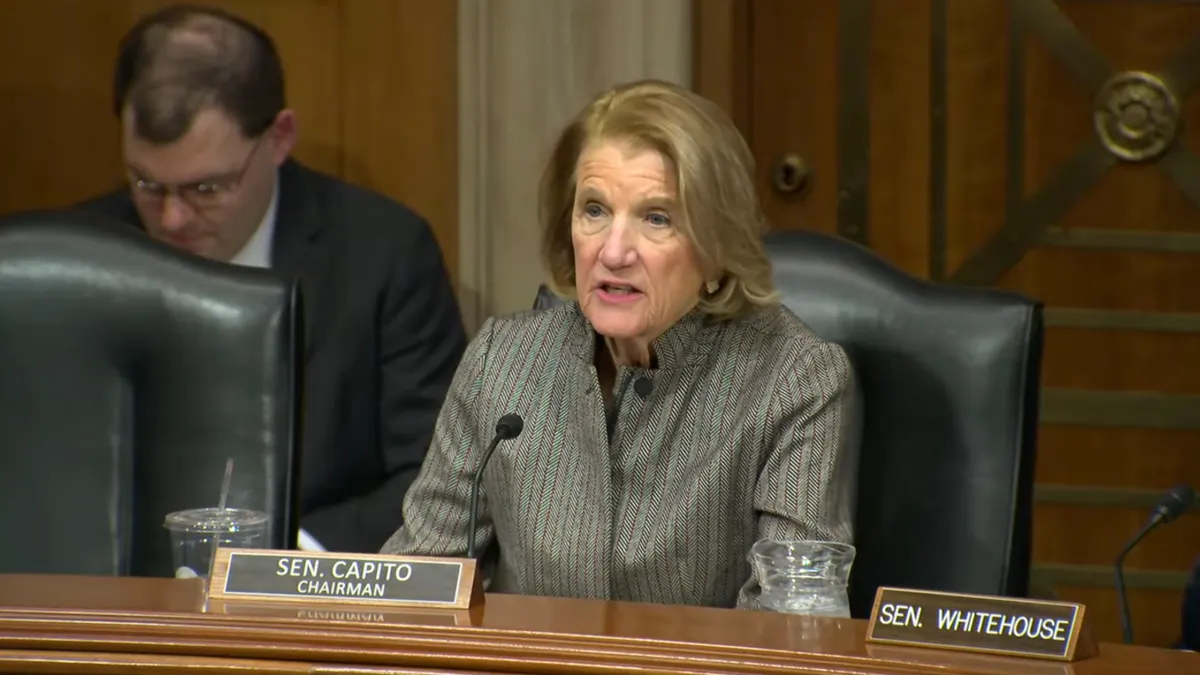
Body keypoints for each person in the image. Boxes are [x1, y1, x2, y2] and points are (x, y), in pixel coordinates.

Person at [382, 79, 859, 608]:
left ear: (717, 249)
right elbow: (417, 582)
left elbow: (787, 621)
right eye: (594, 210)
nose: (613, 251)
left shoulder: (792, 379)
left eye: (656, 218)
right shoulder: (503, 360)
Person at [77, 4, 466, 553]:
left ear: (279, 138)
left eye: (205, 189)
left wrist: (285, 560)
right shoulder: (80, 259)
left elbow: (439, 478)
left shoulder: (384, 255)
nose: (171, 219)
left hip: (308, 592)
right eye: (147, 184)